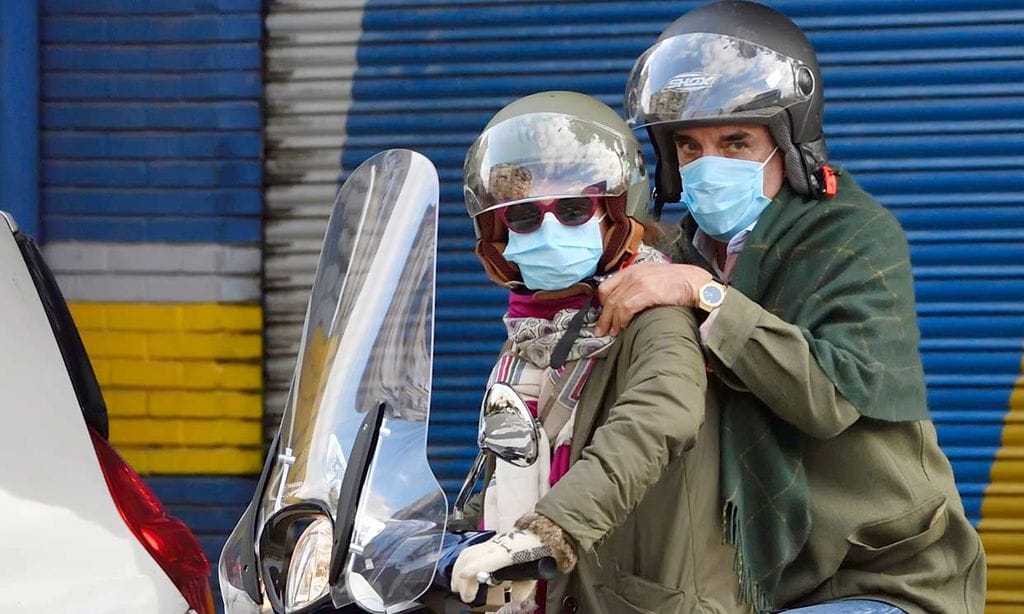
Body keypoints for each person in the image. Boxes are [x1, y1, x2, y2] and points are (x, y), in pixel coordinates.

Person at [593, 2, 986, 613]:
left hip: (875, 574)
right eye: (689, 146)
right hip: (741, 583)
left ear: (788, 141)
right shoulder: (670, 254)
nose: (710, 164)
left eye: (736, 141)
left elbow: (830, 396)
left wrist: (705, 294)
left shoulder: (854, 237)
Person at [450, 91, 751, 614]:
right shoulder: (533, 336)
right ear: (497, 234)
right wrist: (441, 531)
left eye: (572, 209)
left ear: (617, 213)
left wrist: (553, 527)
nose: (547, 230)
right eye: (522, 216)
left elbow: (658, 417)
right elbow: (522, 458)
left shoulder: (655, 315)